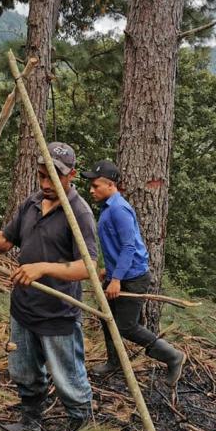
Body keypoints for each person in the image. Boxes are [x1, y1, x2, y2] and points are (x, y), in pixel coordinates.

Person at [0, 142, 96, 431]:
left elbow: (87, 267)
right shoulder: (30, 204)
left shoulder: (78, 213)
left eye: (53, 177)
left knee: (67, 375)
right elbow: (5, 241)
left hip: (57, 312)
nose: (45, 183)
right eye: (42, 176)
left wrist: (42, 268)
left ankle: (82, 429)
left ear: (72, 176)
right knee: (25, 371)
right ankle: (31, 421)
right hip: (24, 306)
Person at [81, 160, 186, 385]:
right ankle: (114, 362)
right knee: (106, 317)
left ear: (110, 185)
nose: (91, 189)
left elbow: (129, 246)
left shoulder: (119, 209)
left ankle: (173, 356)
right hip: (118, 274)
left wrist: (117, 278)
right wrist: (108, 271)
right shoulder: (107, 207)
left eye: (96, 185)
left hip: (133, 277)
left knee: (126, 326)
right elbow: (115, 245)